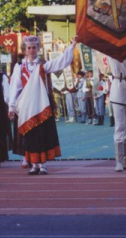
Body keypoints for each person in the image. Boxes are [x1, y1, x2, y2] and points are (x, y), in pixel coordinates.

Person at [9, 36, 77, 175]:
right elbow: (14, 87)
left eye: (34, 47)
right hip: (26, 106)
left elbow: (61, 62)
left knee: (43, 134)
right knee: (31, 136)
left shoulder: (43, 66)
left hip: (42, 105)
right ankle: (34, 164)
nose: (32, 50)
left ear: (38, 49)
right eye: (29, 48)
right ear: (25, 50)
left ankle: (43, 165)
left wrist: (73, 45)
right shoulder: (20, 67)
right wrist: (11, 106)